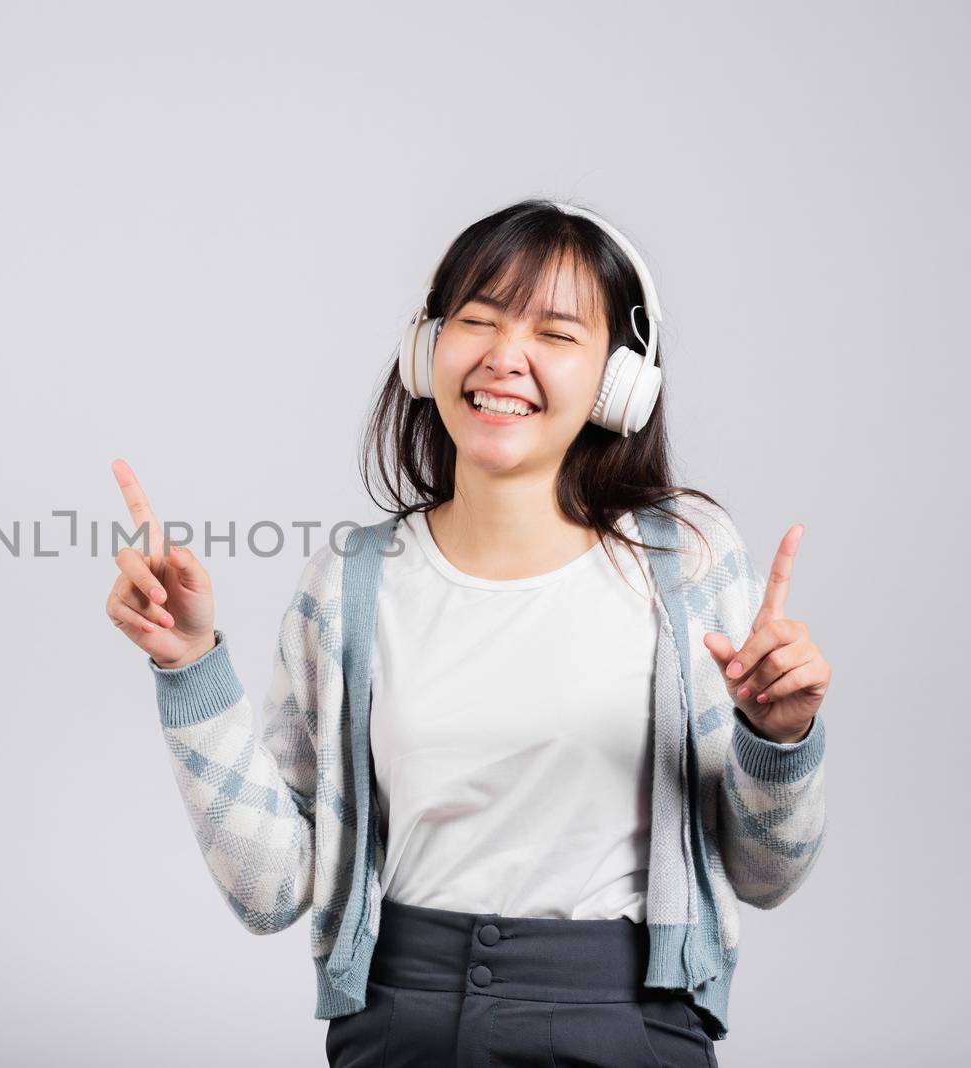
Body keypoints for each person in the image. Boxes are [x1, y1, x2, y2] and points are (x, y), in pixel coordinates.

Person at [105, 198, 831, 1066]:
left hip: (627, 1018)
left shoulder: (690, 570)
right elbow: (269, 890)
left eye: (557, 334)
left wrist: (777, 739)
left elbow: (767, 876)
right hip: (399, 1020)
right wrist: (189, 665)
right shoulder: (349, 583)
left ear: (619, 381)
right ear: (426, 350)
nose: (504, 357)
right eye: (477, 321)